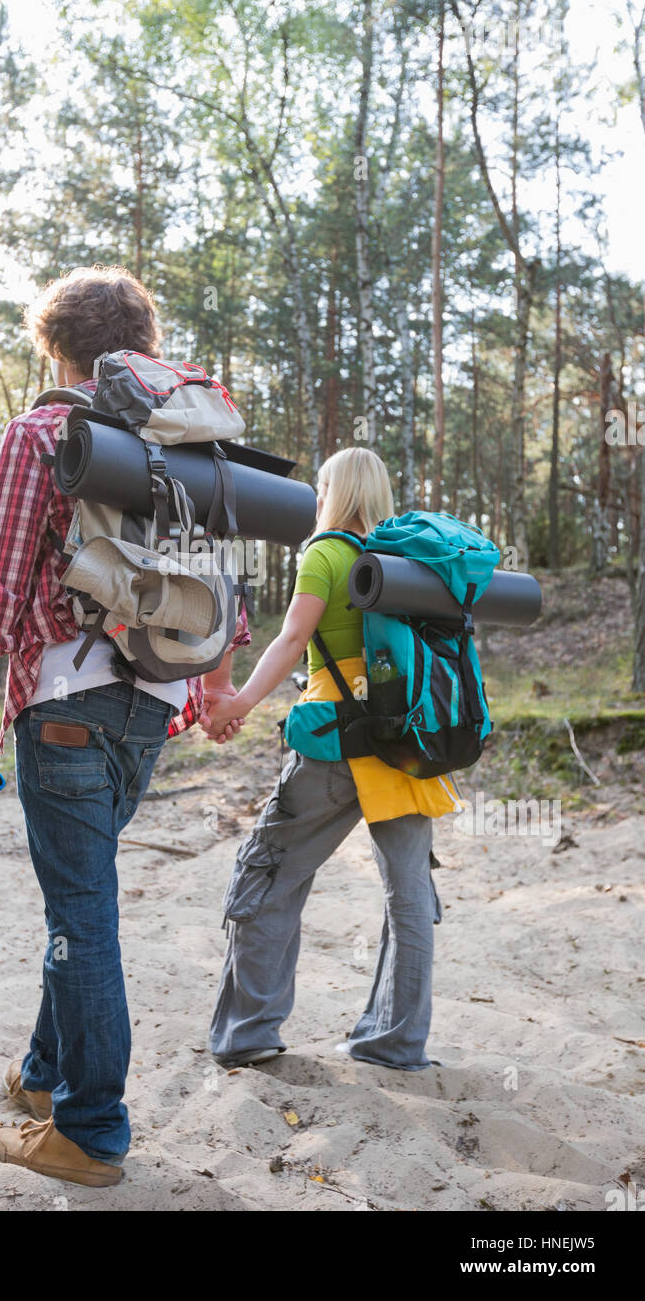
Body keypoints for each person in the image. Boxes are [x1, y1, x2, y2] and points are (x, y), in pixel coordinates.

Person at [0, 265, 249, 1188]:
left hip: (63, 703)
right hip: (151, 703)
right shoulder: (191, 443)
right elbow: (222, 584)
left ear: (56, 348)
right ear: (144, 348)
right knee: (86, 899)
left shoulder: (42, 429)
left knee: (81, 911)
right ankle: (41, 1080)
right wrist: (206, 690)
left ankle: (91, 1131)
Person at [202, 447, 456, 1073]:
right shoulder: (405, 563)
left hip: (339, 741)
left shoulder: (326, 553)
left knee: (268, 873)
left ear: (333, 493)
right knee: (410, 896)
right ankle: (396, 1044)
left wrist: (238, 703)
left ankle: (249, 1034)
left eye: (321, 487)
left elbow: (291, 639)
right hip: (408, 743)